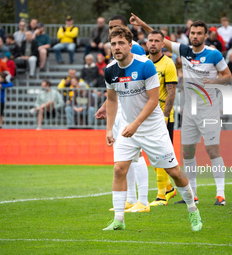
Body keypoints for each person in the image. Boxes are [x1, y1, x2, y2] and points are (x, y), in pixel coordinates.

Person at [96, 25, 202, 231]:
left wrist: (135, 124)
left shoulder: (145, 66)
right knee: (119, 169)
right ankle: (119, 220)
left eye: (121, 43)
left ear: (130, 45)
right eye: (113, 44)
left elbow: (154, 100)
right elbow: (111, 100)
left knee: (174, 172)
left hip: (153, 129)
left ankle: (193, 209)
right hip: (128, 130)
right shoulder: (110, 70)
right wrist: (109, 129)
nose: (116, 47)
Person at [130, 13, 232, 206]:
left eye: (199, 33)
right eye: (193, 33)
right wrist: (142, 24)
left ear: (204, 36)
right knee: (187, 153)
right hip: (189, 111)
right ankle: (192, 195)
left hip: (209, 110)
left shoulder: (214, 54)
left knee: (212, 150)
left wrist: (214, 81)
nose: (195, 36)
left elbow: (227, 75)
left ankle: (221, 194)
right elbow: (158, 38)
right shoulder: (184, 50)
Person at [98, 14, 149, 214]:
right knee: (123, 155)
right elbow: (119, 83)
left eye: (116, 27)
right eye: (110, 28)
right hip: (120, 109)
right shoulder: (116, 49)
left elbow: (143, 77)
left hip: (132, 110)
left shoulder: (134, 48)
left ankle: (143, 201)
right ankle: (130, 199)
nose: (112, 30)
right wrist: (106, 104)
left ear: (126, 28)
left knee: (136, 155)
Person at [146, 30, 178, 206]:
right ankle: (169, 189)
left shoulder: (168, 64)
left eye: (156, 41)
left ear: (162, 44)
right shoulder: (143, 62)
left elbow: (172, 92)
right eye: (150, 40)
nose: (152, 43)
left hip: (162, 116)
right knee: (153, 155)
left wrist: (165, 116)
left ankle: (161, 195)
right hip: (146, 116)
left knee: (162, 155)